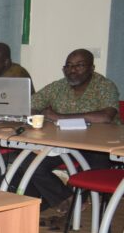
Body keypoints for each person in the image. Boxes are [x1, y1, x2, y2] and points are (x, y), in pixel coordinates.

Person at [21, 49, 119, 221]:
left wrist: (59, 117)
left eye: (79, 65)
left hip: (98, 145)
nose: (73, 70)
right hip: (64, 142)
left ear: (91, 68)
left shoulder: (104, 86)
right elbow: (30, 105)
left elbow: (105, 117)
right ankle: (68, 198)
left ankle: (82, 202)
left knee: (95, 166)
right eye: (69, 66)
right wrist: (37, 114)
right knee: (29, 164)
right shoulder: (58, 86)